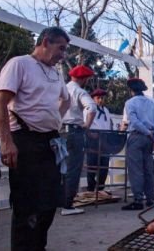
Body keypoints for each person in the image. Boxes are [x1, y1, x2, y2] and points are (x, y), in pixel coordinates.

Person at [0, 27, 71, 251]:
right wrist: (6, 142)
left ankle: (38, 247)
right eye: (60, 48)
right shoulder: (19, 64)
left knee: (49, 202)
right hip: (24, 141)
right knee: (27, 205)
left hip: (50, 143)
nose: (62, 55)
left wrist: (54, 118)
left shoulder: (56, 74)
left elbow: (66, 101)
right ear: (45, 41)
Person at [61, 65, 97, 215]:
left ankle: (58, 200)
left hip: (59, 131)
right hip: (74, 132)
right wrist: (86, 125)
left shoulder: (62, 88)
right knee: (73, 168)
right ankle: (67, 205)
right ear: (83, 78)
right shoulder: (79, 91)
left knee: (59, 168)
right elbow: (92, 107)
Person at [121, 78, 154, 210]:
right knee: (148, 168)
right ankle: (150, 198)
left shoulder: (130, 102)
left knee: (136, 169)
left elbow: (134, 121)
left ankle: (138, 199)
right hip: (149, 138)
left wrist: (147, 133)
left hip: (137, 136)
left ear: (131, 89)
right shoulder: (151, 102)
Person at [84, 88, 112, 193]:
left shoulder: (106, 110)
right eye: (98, 98)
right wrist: (90, 133)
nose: (100, 100)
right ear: (93, 98)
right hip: (93, 138)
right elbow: (85, 123)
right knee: (92, 164)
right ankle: (91, 188)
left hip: (104, 138)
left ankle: (100, 187)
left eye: (102, 98)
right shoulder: (88, 108)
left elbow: (108, 124)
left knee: (104, 165)